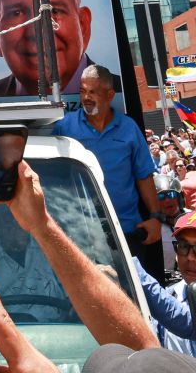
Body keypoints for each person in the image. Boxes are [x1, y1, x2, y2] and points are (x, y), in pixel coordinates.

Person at [51, 65, 161, 256]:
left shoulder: (128, 127)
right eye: (83, 91)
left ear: (110, 95)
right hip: (81, 233)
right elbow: (54, 179)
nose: (86, 98)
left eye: (93, 92)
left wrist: (155, 217)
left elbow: (144, 175)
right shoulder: (64, 127)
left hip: (127, 231)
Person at [135, 211, 196, 358]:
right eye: (183, 246)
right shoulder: (170, 293)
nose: (190, 257)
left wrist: (131, 266)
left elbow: (191, 322)